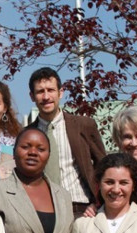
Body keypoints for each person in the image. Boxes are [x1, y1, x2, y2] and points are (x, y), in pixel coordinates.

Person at [26, 67, 106, 216]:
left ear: (60, 92)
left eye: (50, 90)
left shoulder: (84, 125)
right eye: (40, 91)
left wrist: (98, 203)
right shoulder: (27, 135)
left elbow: (104, 166)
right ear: (32, 96)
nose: (46, 96)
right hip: (43, 211)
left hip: (81, 209)